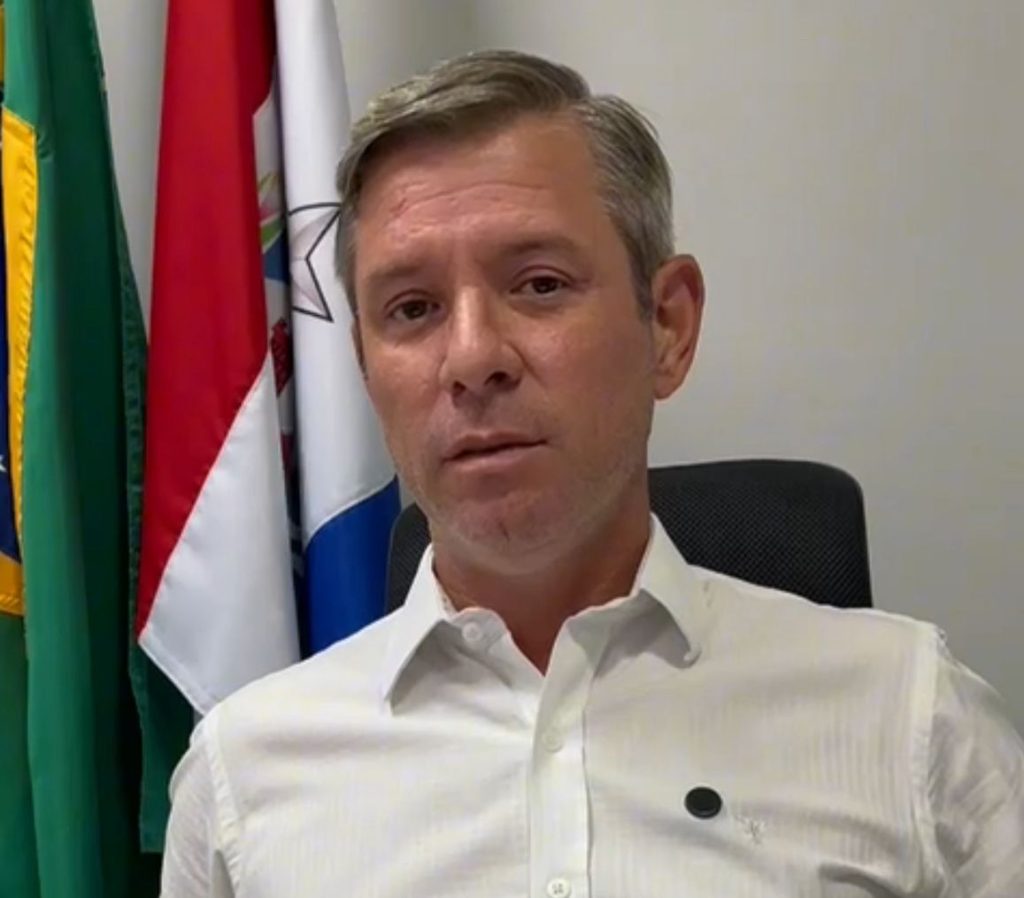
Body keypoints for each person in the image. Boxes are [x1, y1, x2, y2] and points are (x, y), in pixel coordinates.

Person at [160, 50, 1024, 897]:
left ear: (668, 327)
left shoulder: (911, 722)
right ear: (364, 365)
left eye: (539, 285)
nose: (473, 358)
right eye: (412, 308)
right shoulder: (244, 782)